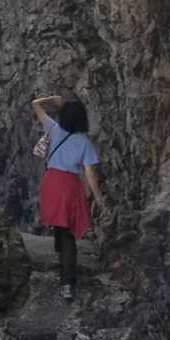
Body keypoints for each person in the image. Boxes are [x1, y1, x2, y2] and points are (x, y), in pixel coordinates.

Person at [31, 94, 105, 302]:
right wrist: (98, 197)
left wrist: (52, 99)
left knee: (59, 223)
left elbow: (35, 104)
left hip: (50, 183)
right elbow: (90, 175)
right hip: (69, 186)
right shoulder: (84, 142)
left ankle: (60, 257)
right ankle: (67, 284)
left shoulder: (54, 129)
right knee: (68, 234)